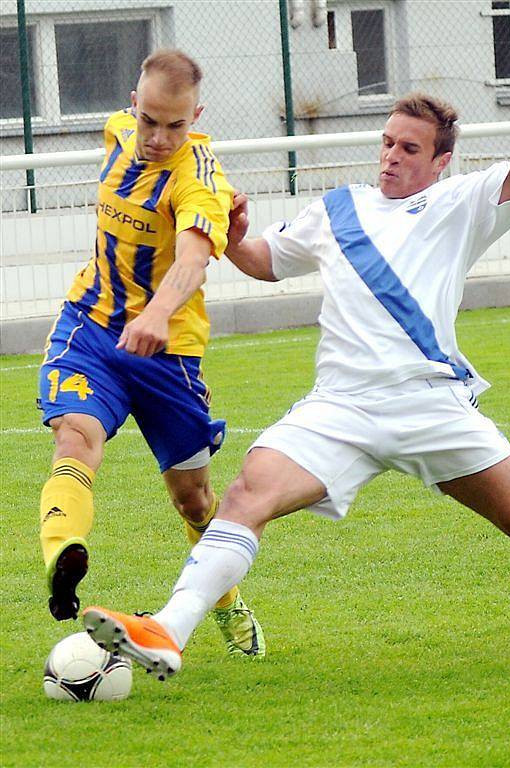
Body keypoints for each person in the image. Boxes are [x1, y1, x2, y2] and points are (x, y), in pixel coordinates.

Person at [81, 26, 510, 679]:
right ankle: (168, 630)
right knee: (244, 496)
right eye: (386, 143)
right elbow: (266, 262)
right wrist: (234, 239)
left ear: (440, 162)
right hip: (340, 410)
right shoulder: (337, 209)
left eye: (409, 148)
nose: (391, 156)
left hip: (432, 405)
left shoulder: (457, 204)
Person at [38, 49, 264, 657]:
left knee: (193, 497)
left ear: (197, 116)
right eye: (149, 122)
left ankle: (225, 602)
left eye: (176, 125)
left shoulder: (202, 179)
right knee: (75, 436)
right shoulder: (116, 132)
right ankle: (64, 553)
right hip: (91, 328)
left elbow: (193, 258)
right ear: (133, 107)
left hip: (169, 355)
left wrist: (157, 315)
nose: (160, 138)